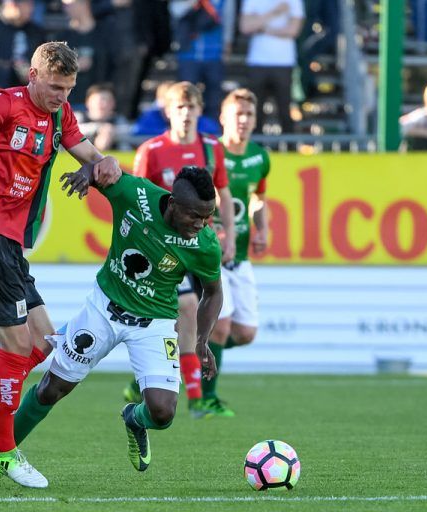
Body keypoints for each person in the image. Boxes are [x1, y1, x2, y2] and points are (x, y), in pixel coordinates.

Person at [0, 41, 121, 488]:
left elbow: (92, 157)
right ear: (34, 75)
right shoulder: (4, 103)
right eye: (56, 86)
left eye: (69, 88)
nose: (61, 95)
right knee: (17, 347)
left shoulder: (61, 115)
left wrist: (108, 162)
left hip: (8, 244)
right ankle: (2, 451)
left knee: (41, 343)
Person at [0, 165, 224, 487]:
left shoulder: (204, 244)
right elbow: (106, 171)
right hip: (103, 311)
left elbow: (214, 293)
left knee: (162, 413)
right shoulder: (138, 195)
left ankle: (134, 418)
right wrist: (87, 172)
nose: (201, 225)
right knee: (51, 389)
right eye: (195, 216)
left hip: (155, 323)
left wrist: (202, 342)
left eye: (207, 217)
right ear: (173, 203)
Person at [124, 81, 235, 419]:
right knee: (186, 309)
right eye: (180, 108)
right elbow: (138, 197)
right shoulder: (152, 150)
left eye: (192, 108)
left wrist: (228, 234)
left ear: (201, 111)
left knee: (224, 324)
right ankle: (198, 397)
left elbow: (223, 194)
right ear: (168, 112)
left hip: (200, 243)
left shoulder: (211, 148)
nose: (186, 114)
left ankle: (153, 382)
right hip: (164, 248)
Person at [203, 88, 270, 416]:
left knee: (245, 333)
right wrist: (212, 229)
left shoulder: (260, 156)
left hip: (241, 256)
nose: (243, 121)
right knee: (222, 326)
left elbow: (258, 197)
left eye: (249, 115)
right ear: (223, 118)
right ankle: (206, 398)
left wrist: (263, 228)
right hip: (213, 255)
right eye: (237, 114)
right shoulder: (211, 153)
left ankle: (188, 359)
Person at [239, 0, 304, 134]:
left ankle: (289, 147)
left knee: (285, 110)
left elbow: (293, 30)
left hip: (284, 62)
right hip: (257, 62)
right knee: (255, 111)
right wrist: (274, 13)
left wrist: (261, 26)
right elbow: (245, 27)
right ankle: (255, 149)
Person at [133, 81, 221, 136]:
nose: (185, 112)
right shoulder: (151, 116)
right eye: (180, 107)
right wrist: (167, 132)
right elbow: (137, 132)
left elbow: (213, 129)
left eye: (190, 106)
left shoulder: (196, 117)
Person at [75, 83, 129, 151]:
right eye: (97, 100)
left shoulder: (119, 119)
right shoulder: (78, 117)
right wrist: (98, 128)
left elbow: (130, 133)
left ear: (113, 103)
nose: (102, 104)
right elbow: (71, 132)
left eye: (107, 100)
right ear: (87, 102)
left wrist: (110, 131)